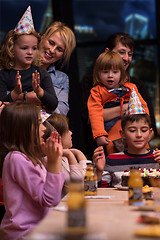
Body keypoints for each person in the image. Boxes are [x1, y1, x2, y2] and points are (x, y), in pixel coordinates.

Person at [81, 32, 157, 157]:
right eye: (121, 52)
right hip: (104, 144)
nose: (126, 58)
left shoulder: (134, 86)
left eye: (130, 54)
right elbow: (90, 117)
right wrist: (125, 109)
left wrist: (139, 138)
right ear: (107, 52)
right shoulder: (92, 84)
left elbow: (148, 119)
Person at [0, 102, 65, 239]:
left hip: (40, 230)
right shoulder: (16, 159)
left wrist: (55, 158)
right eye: (40, 123)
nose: (44, 129)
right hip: (25, 233)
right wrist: (54, 160)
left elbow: (55, 195)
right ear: (23, 129)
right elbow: (50, 200)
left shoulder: (30, 158)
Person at [94, 91, 160, 187]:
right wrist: (99, 172)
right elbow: (102, 193)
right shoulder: (112, 160)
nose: (138, 135)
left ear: (150, 133)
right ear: (123, 134)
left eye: (144, 130)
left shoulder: (158, 158)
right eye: (132, 130)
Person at [87, 50, 149, 155]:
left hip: (133, 124)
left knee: (142, 146)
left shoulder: (130, 88)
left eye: (115, 72)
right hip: (112, 127)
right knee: (114, 150)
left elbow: (143, 106)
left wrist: (145, 124)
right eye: (105, 72)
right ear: (98, 73)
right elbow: (95, 114)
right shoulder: (97, 92)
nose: (110, 76)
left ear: (121, 73)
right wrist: (99, 135)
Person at [0, 6, 58, 112]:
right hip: (12, 121)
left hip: (37, 120)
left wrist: (39, 91)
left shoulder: (41, 74)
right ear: (12, 49)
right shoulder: (3, 75)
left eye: (34, 48)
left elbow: (53, 104)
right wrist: (15, 93)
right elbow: (0, 105)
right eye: (24, 48)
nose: (30, 52)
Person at [42, 113, 90, 195]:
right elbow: (80, 186)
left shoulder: (64, 158)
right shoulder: (49, 160)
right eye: (67, 130)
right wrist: (70, 155)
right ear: (57, 136)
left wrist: (79, 153)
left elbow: (89, 180)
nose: (71, 133)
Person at [38, 21, 76, 115]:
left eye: (59, 49)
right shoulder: (20, 65)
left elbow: (62, 112)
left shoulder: (62, 78)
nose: (52, 50)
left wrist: (38, 101)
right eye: (51, 43)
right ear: (42, 38)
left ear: (62, 55)